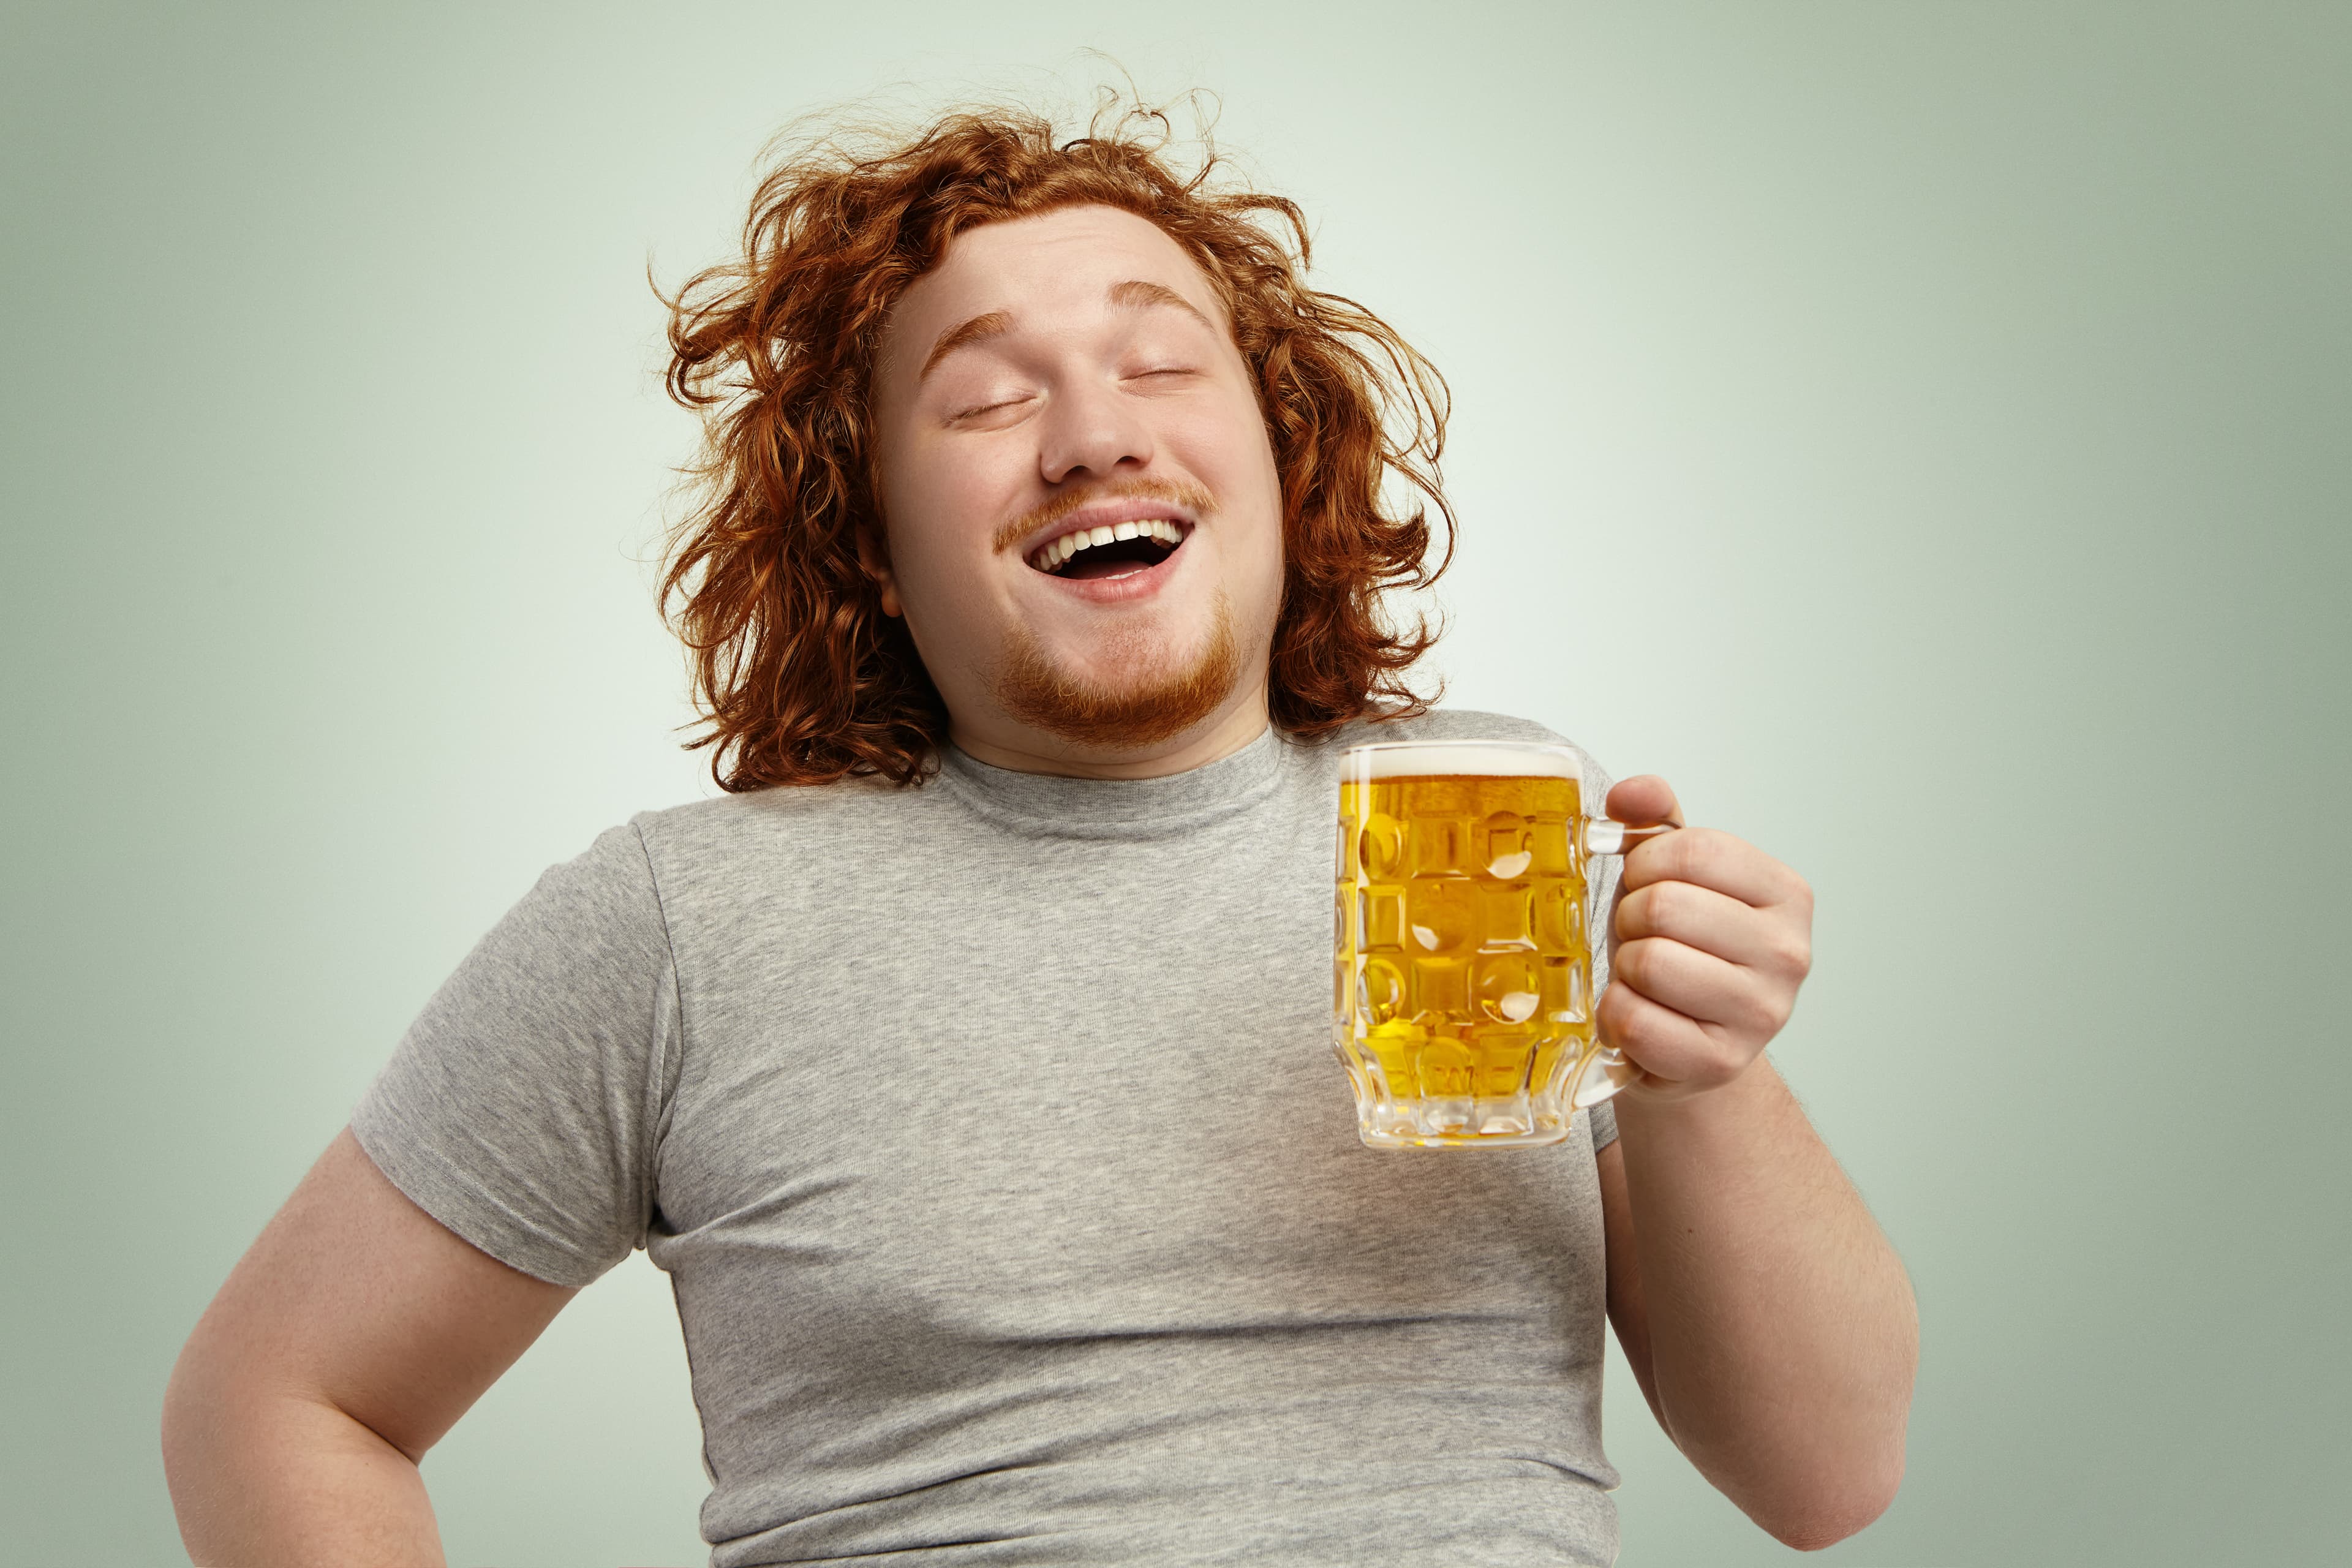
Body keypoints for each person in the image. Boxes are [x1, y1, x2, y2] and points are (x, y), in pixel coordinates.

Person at [162, 96, 1917, 1567]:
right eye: (990, 400)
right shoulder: (677, 924)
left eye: (1165, 364)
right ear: (864, 537)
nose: (1093, 435)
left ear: (1280, 464)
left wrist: (1709, 1073)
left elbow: (1823, 1479)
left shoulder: (1487, 827)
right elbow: (278, 1401)